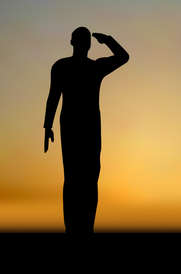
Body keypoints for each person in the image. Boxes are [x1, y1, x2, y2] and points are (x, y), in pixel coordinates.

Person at [43, 26, 129, 234]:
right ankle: (73, 228)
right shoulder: (65, 67)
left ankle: (85, 227)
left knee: (88, 178)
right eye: (80, 39)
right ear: (73, 42)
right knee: (75, 178)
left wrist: (48, 125)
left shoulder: (92, 67)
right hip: (75, 126)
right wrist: (47, 125)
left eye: (84, 40)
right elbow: (53, 95)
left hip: (87, 126)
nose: (82, 43)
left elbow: (124, 57)